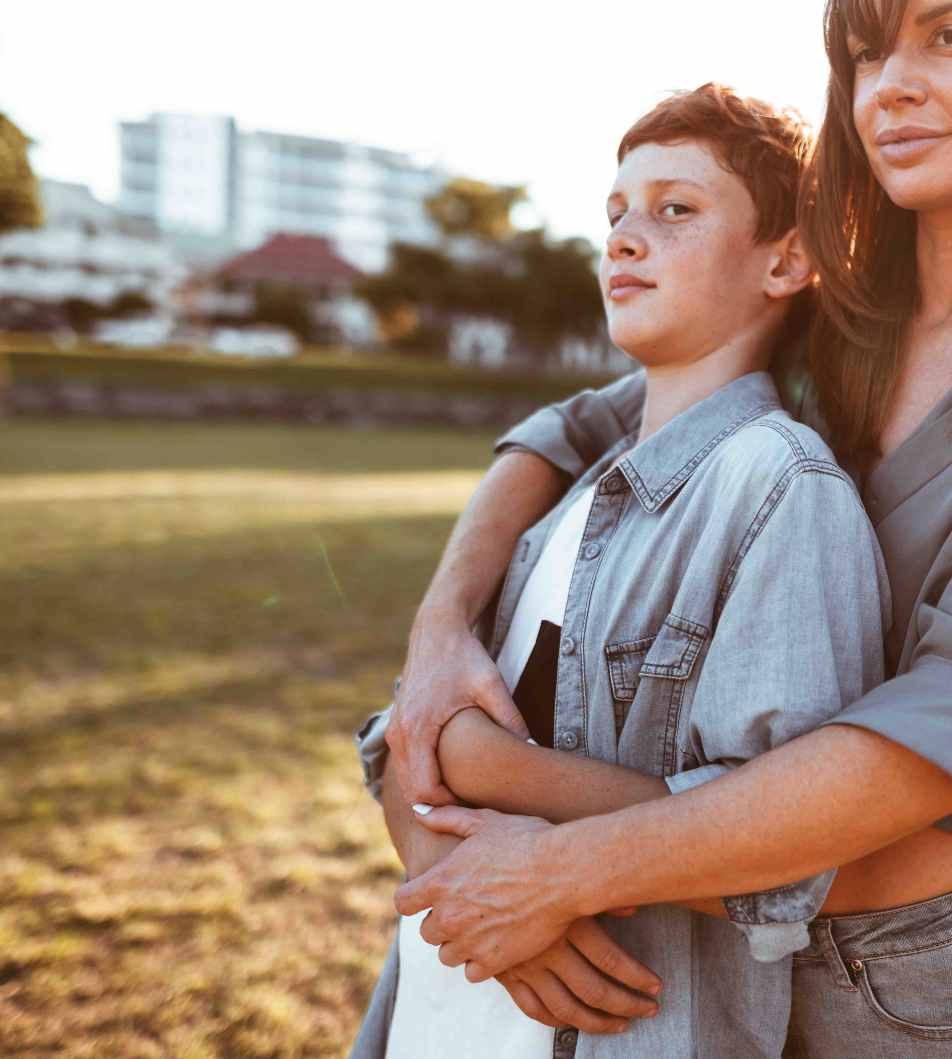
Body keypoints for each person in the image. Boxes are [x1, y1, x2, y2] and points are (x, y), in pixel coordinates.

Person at [379, 0, 952, 1059]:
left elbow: (951, 722)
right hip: (694, 952)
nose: (888, 85)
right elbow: (569, 435)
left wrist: (550, 863)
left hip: (932, 985)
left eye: (948, 35)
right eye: (862, 51)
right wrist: (437, 642)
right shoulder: (826, 323)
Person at [351, 84, 891, 1059]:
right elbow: (402, 740)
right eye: (615, 215)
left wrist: (498, 789)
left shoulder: (779, 491)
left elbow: (778, 857)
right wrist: (477, 905)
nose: (623, 239)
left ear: (786, 259)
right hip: (439, 1019)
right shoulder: (578, 488)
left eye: (673, 210)